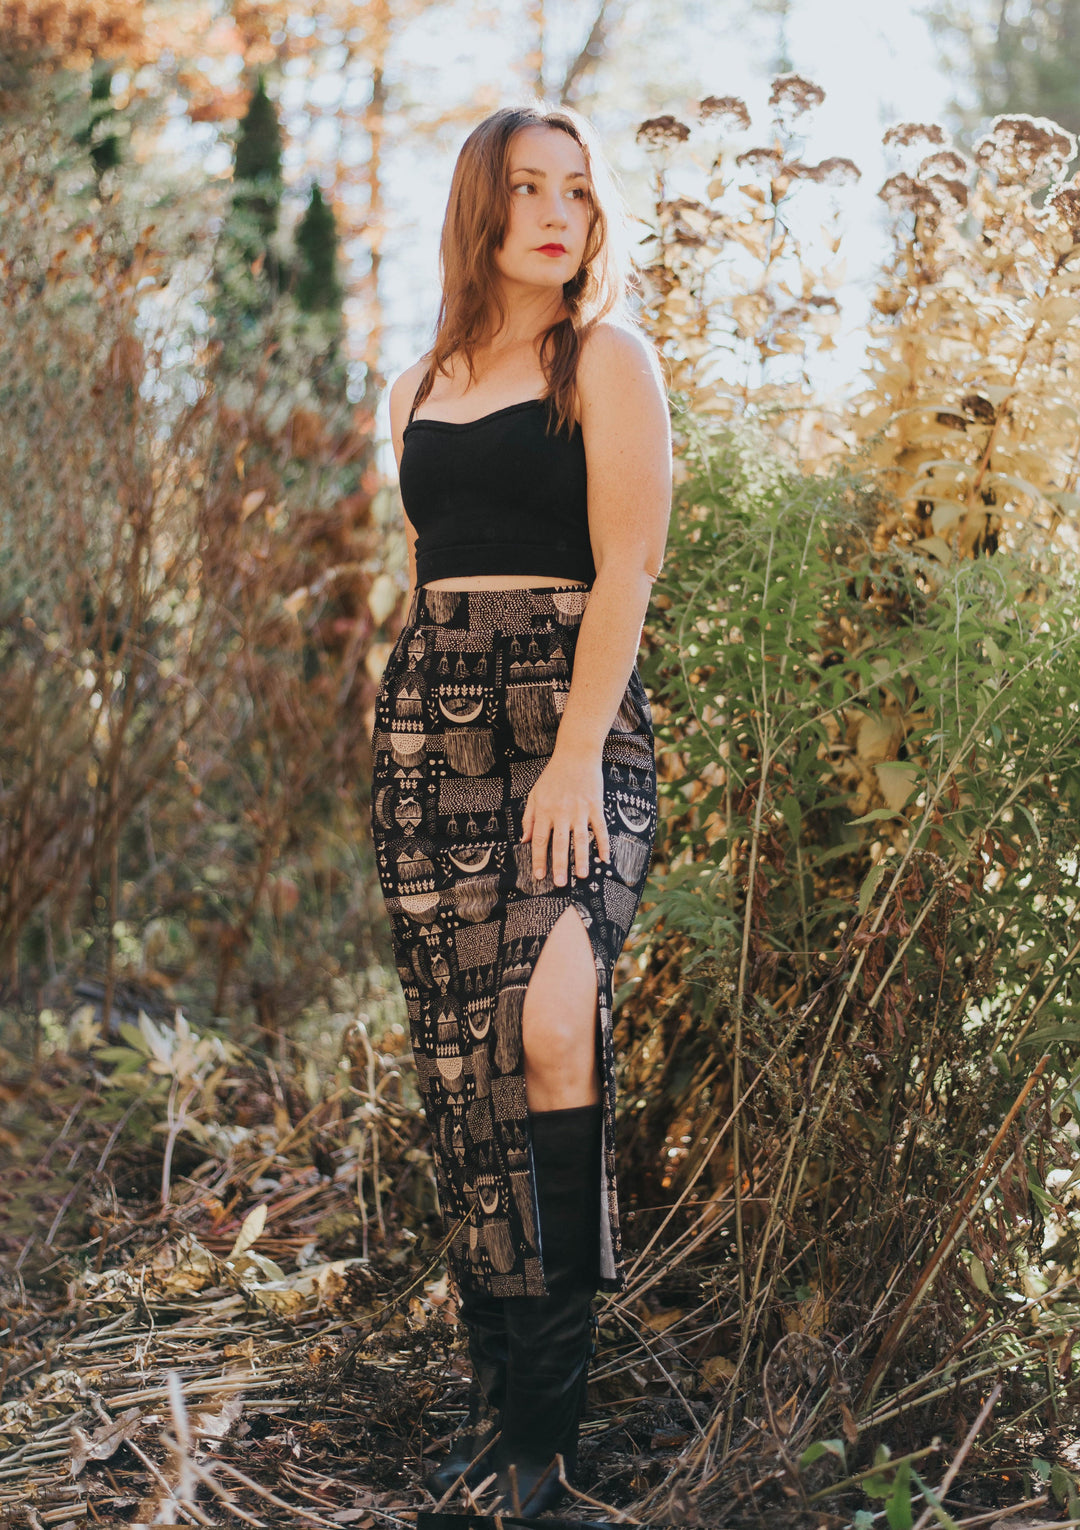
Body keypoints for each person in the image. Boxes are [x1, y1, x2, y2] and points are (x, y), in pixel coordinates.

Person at [371, 100, 671, 1515]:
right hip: (433, 735)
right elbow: (429, 575)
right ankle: (497, 1416)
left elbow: (631, 564)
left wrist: (574, 753)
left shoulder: (604, 359)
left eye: (579, 189)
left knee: (551, 1022)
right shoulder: (417, 384)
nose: (559, 213)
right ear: (481, 207)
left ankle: (550, 1438)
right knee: (462, 1065)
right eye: (531, 188)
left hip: (573, 725)